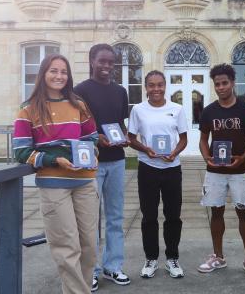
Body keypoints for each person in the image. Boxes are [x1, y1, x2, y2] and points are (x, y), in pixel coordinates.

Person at [13, 54, 99, 294]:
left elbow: (91, 139)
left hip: (84, 182)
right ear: (43, 74)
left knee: (89, 247)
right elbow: (21, 152)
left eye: (64, 71)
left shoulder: (78, 104)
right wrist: (54, 160)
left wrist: (92, 156)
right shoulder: (27, 109)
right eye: (53, 71)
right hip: (54, 185)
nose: (59, 76)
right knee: (67, 247)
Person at [73, 44, 130, 291]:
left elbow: (120, 123)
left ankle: (113, 266)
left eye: (111, 62)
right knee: (90, 219)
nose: (107, 66)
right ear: (91, 61)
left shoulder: (121, 92)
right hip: (91, 162)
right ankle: (92, 269)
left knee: (116, 217)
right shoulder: (79, 91)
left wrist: (125, 136)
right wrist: (97, 136)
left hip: (117, 160)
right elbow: (75, 128)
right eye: (102, 61)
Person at [197, 63, 245, 279]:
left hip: (241, 170)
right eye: (217, 84)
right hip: (215, 171)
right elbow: (204, 139)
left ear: (233, 83)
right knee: (216, 212)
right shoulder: (208, 111)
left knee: (243, 212)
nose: (221, 87)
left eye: (225, 83)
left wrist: (243, 157)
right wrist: (207, 157)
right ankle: (218, 256)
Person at [128, 70, 188, 279]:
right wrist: (146, 150)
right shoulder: (138, 110)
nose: (156, 89)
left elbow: (183, 139)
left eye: (160, 85)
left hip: (172, 169)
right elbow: (131, 138)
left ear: (165, 86)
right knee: (149, 216)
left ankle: (172, 258)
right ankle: (151, 258)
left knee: (173, 215)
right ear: (146, 87)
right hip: (147, 168)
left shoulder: (177, 109)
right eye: (152, 85)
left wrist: (174, 153)